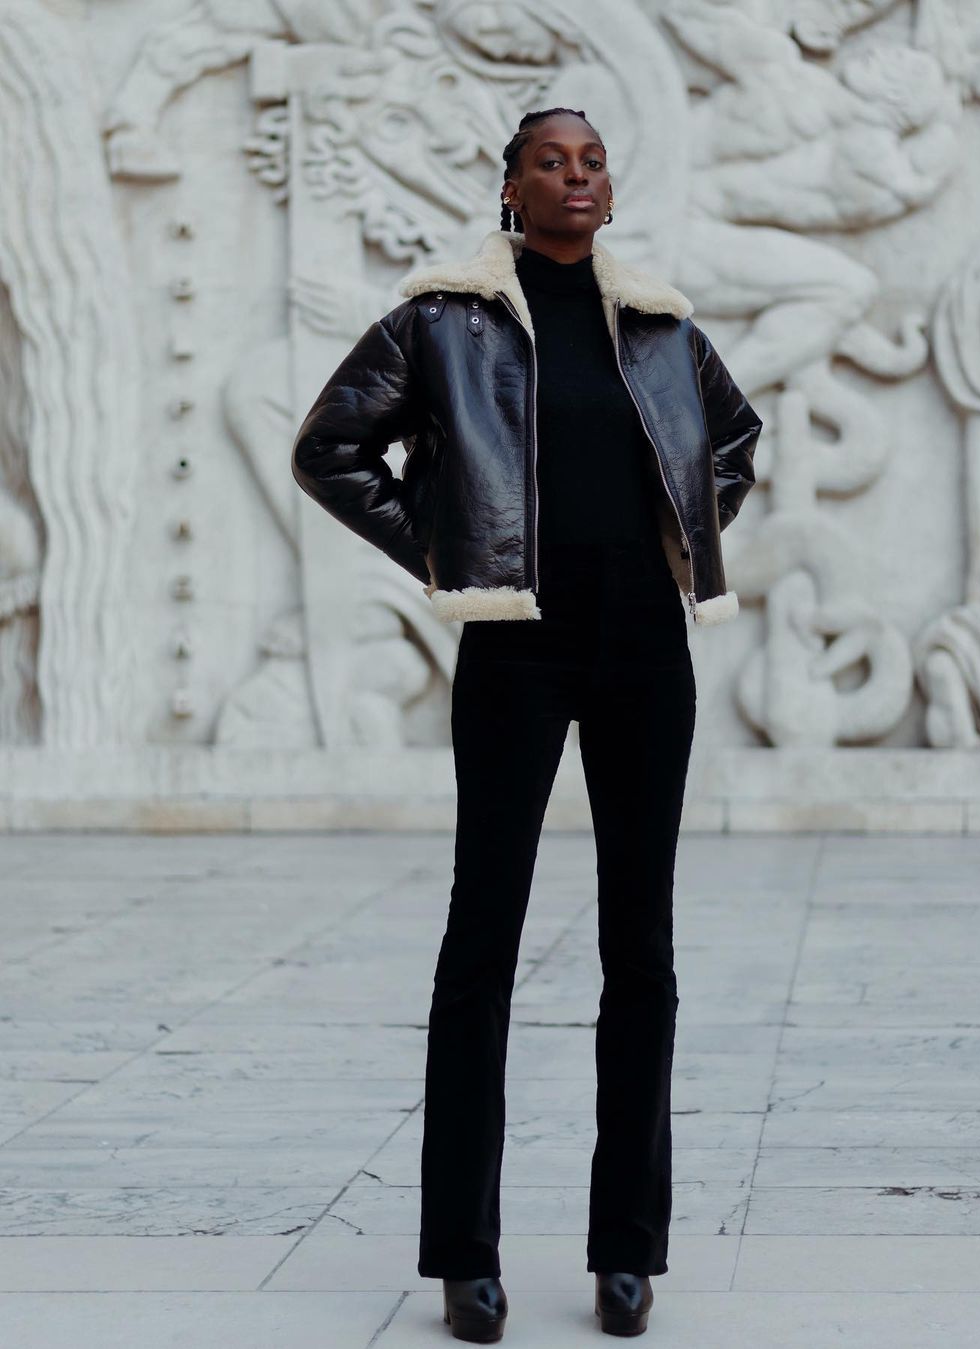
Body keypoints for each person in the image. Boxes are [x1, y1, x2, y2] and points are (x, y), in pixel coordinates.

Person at [291, 106, 763, 1342]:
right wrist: (448, 551)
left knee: (641, 947)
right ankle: (464, 1254)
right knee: (482, 940)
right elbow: (331, 448)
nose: (577, 176)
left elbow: (735, 438)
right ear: (511, 186)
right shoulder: (442, 321)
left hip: (645, 646)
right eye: (552, 161)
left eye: (593, 160)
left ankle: (629, 1251)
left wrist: (685, 536)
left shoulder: (659, 324)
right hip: (515, 643)